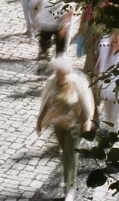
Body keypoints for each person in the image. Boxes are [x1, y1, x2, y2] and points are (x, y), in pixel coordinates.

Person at [37, 60, 98, 197]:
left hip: (74, 126)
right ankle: (66, 176)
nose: (61, 76)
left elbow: (86, 105)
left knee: (71, 156)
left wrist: (86, 123)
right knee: (65, 153)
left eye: (63, 74)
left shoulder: (77, 83)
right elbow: (46, 102)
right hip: (58, 125)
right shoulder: (52, 82)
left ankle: (69, 188)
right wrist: (39, 121)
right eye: (59, 73)